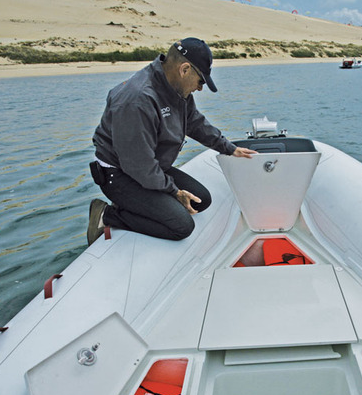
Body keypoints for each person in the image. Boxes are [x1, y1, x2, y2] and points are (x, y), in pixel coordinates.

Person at [87, 37, 256, 245]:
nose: (200, 88)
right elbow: (140, 166)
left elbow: (194, 122)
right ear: (184, 69)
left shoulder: (176, 89)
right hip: (119, 174)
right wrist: (174, 192)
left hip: (150, 165)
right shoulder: (137, 100)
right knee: (181, 226)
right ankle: (107, 215)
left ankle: (139, 203)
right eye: (201, 81)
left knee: (202, 200)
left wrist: (229, 148)